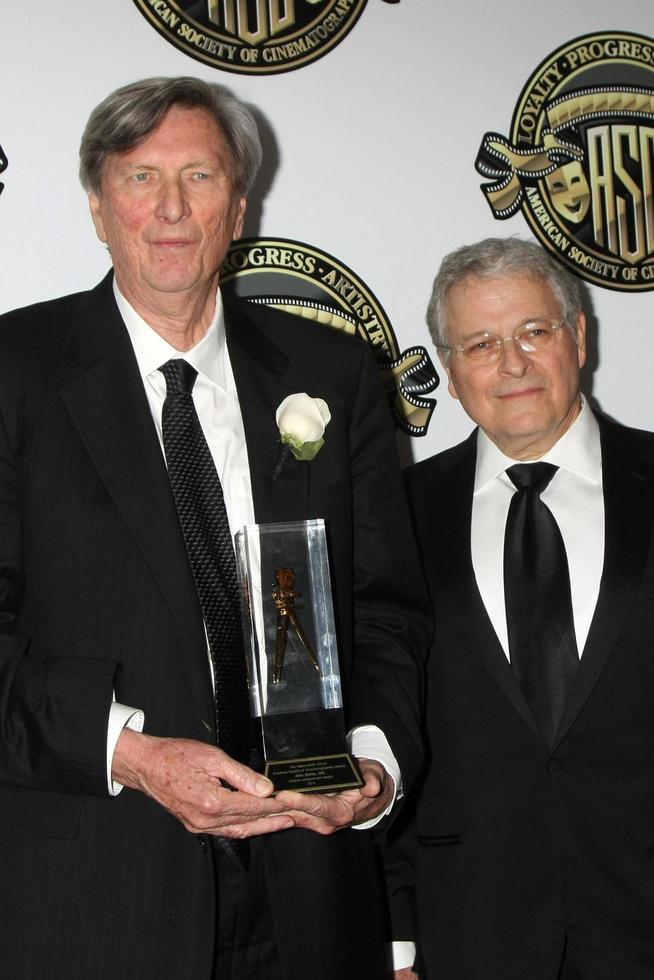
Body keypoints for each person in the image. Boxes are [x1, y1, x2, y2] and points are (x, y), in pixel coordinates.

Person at [0, 76, 428, 980]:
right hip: (96, 888)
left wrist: (371, 765)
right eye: (140, 177)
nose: (170, 208)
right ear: (95, 206)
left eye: (199, 177)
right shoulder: (14, 375)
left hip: (309, 887)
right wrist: (135, 754)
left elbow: (385, 610)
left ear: (238, 208)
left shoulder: (337, 374)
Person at [384, 237, 654, 980]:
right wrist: (394, 937)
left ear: (578, 336)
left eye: (533, 332)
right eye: (480, 343)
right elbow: (381, 719)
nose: (511, 364)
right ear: (449, 368)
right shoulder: (394, 516)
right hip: (467, 934)